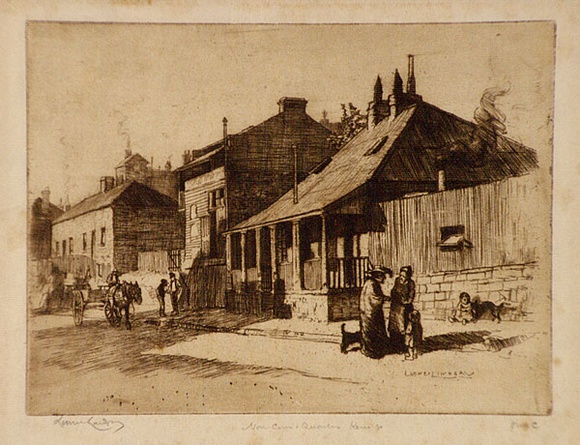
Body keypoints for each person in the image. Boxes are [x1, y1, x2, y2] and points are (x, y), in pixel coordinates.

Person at [359, 266, 393, 359]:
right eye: (383, 276)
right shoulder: (372, 284)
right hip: (371, 313)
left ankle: (372, 350)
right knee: (372, 331)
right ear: (378, 275)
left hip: (368, 312)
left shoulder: (370, 283)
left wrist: (384, 298)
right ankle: (372, 351)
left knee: (370, 331)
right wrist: (386, 298)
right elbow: (375, 298)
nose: (384, 278)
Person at [388, 265, 416, 353]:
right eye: (400, 275)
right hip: (395, 307)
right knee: (393, 327)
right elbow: (393, 291)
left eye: (403, 276)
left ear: (408, 276)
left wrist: (406, 301)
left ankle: (404, 346)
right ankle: (394, 346)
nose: (401, 278)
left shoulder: (411, 283)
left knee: (403, 327)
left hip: (405, 308)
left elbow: (411, 296)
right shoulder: (397, 281)